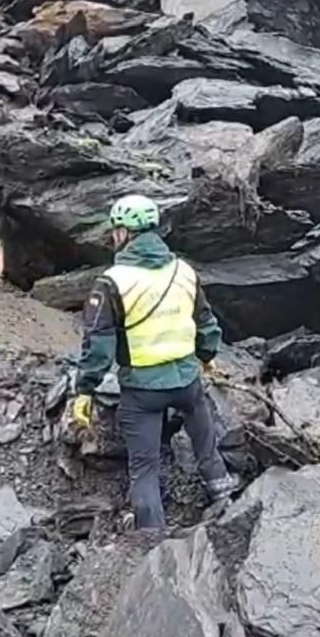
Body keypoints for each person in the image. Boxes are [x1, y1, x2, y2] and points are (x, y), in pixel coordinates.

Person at [69, 194, 239, 530]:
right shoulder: (184, 271)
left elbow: (99, 346)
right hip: (188, 382)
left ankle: (152, 538)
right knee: (205, 445)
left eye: (115, 229)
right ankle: (225, 499)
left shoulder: (113, 281)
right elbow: (205, 323)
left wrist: (85, 391)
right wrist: (206, 359)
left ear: (122, 233)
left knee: (145, 469)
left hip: (143, 391)